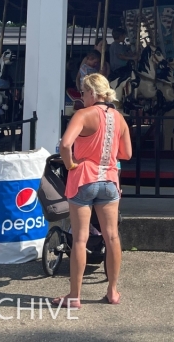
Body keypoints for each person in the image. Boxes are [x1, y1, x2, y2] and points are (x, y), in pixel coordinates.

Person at [53, 73, 131, 309]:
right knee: (112, 236)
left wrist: (70, 164)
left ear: (92, 93)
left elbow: (65, 144)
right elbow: (126, 154)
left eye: (83, 93)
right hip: (109, 180)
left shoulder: (83, 115)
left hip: (84, 178)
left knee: (80, 238)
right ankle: (112, 291)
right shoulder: (119, 118)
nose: (82, 97)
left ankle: (74, 296)